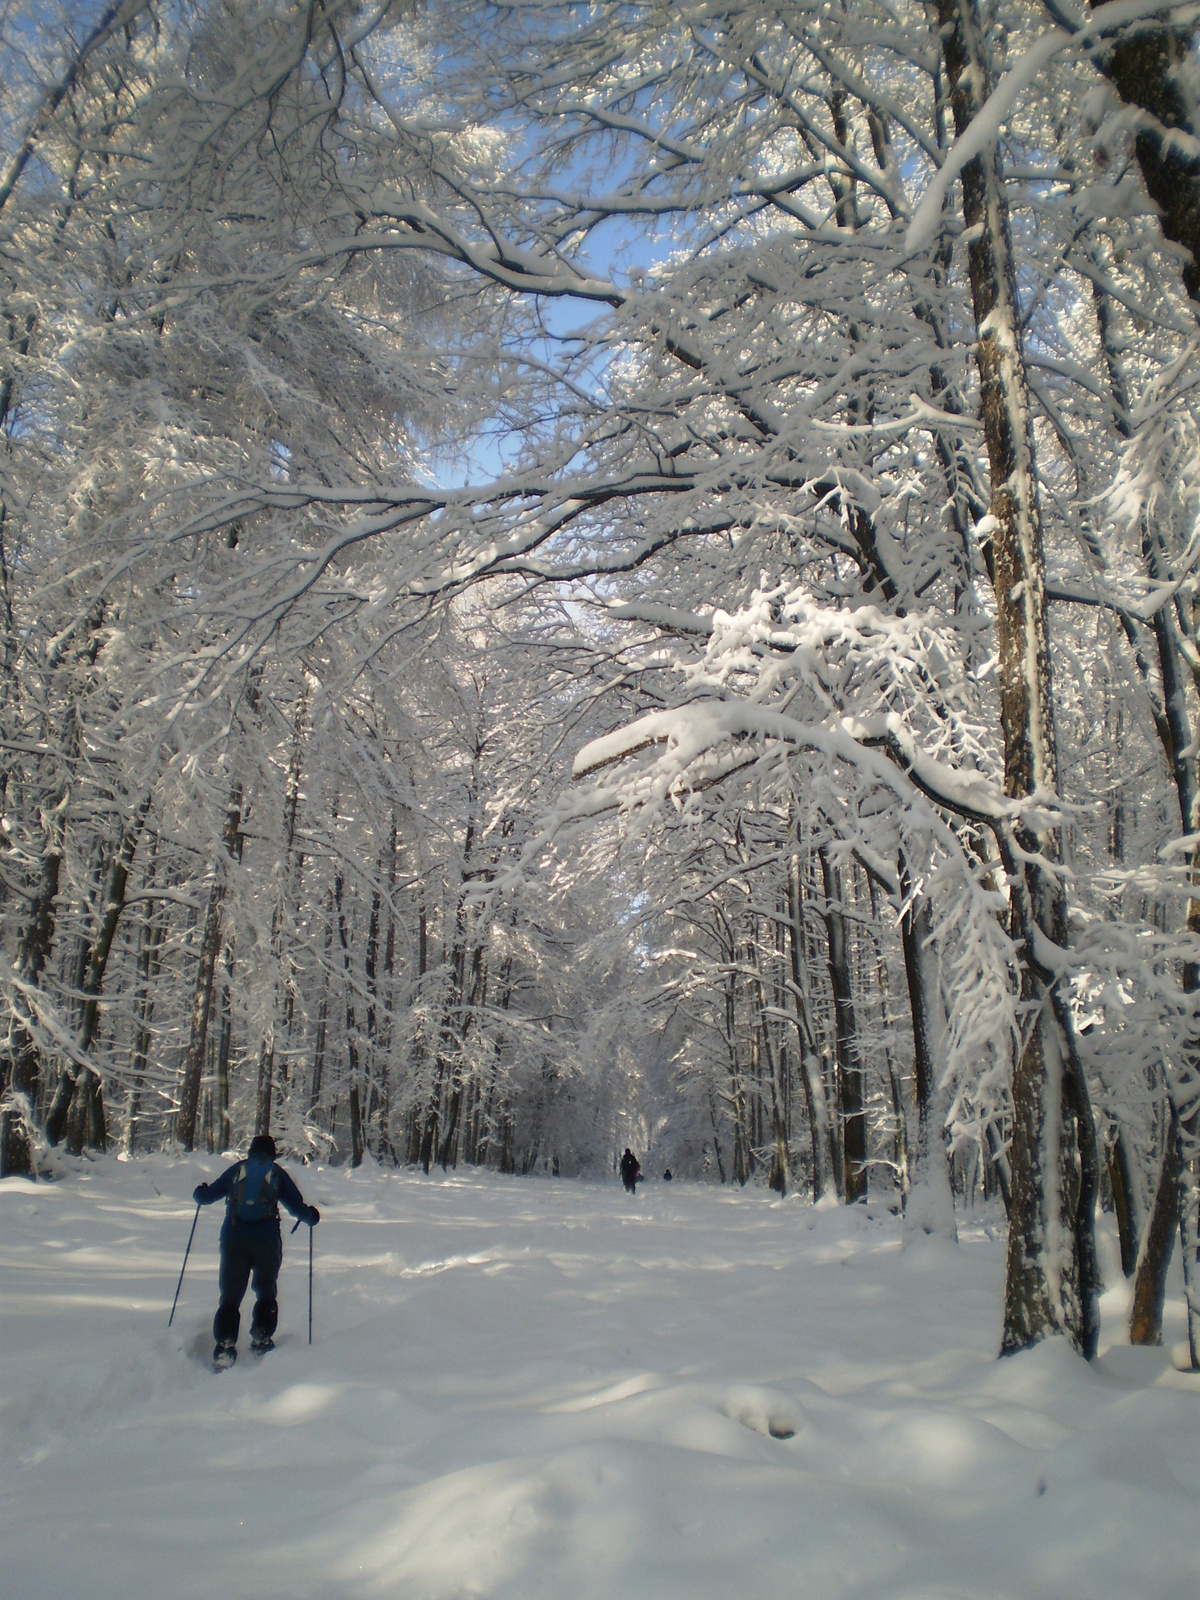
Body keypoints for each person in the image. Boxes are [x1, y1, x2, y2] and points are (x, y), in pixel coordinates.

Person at [192, 1134, 318, 1366]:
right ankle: (262, 1337)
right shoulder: (276, 1173)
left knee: (230, 1293)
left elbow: (206, 1197)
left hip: (233, 1240)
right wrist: (312, 1216)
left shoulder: (237, 1170)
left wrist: (199, 1192)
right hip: (267, 1242)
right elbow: (298, 1209)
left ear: (251, 1151)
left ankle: (225, 1346)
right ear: (272, 1153)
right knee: (266, 1289)